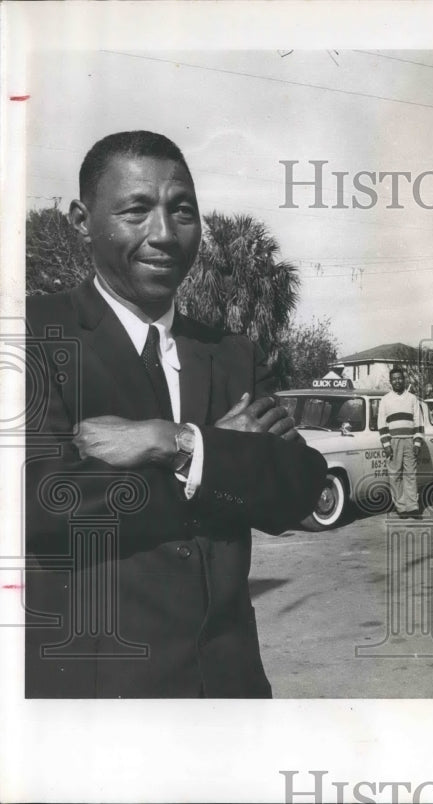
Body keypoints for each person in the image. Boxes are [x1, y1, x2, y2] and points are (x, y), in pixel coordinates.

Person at [24, 131, 327, 697]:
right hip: (94, 701)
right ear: (81, 220)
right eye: (137, 210)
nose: (163, 233)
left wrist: (178, 443)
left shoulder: (231, 353)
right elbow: (37, 500)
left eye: (181, 210)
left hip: (228, 695)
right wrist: (225, 457)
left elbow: (298, 490)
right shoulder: (35, 333)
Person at [377, 366, 425, 518]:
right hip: (393, 442)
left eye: (400, 378)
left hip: (409, 441)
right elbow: (381, 424)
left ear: (404, 380)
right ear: (390, 382)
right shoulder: (385, 400)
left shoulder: (412, 399)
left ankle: (412, 507)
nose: (397, 381)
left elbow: (419, 422)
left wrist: (417, 442)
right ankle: (401, 507)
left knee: (410, 474)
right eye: (394, 379)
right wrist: (386, 445)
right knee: (395, 474)